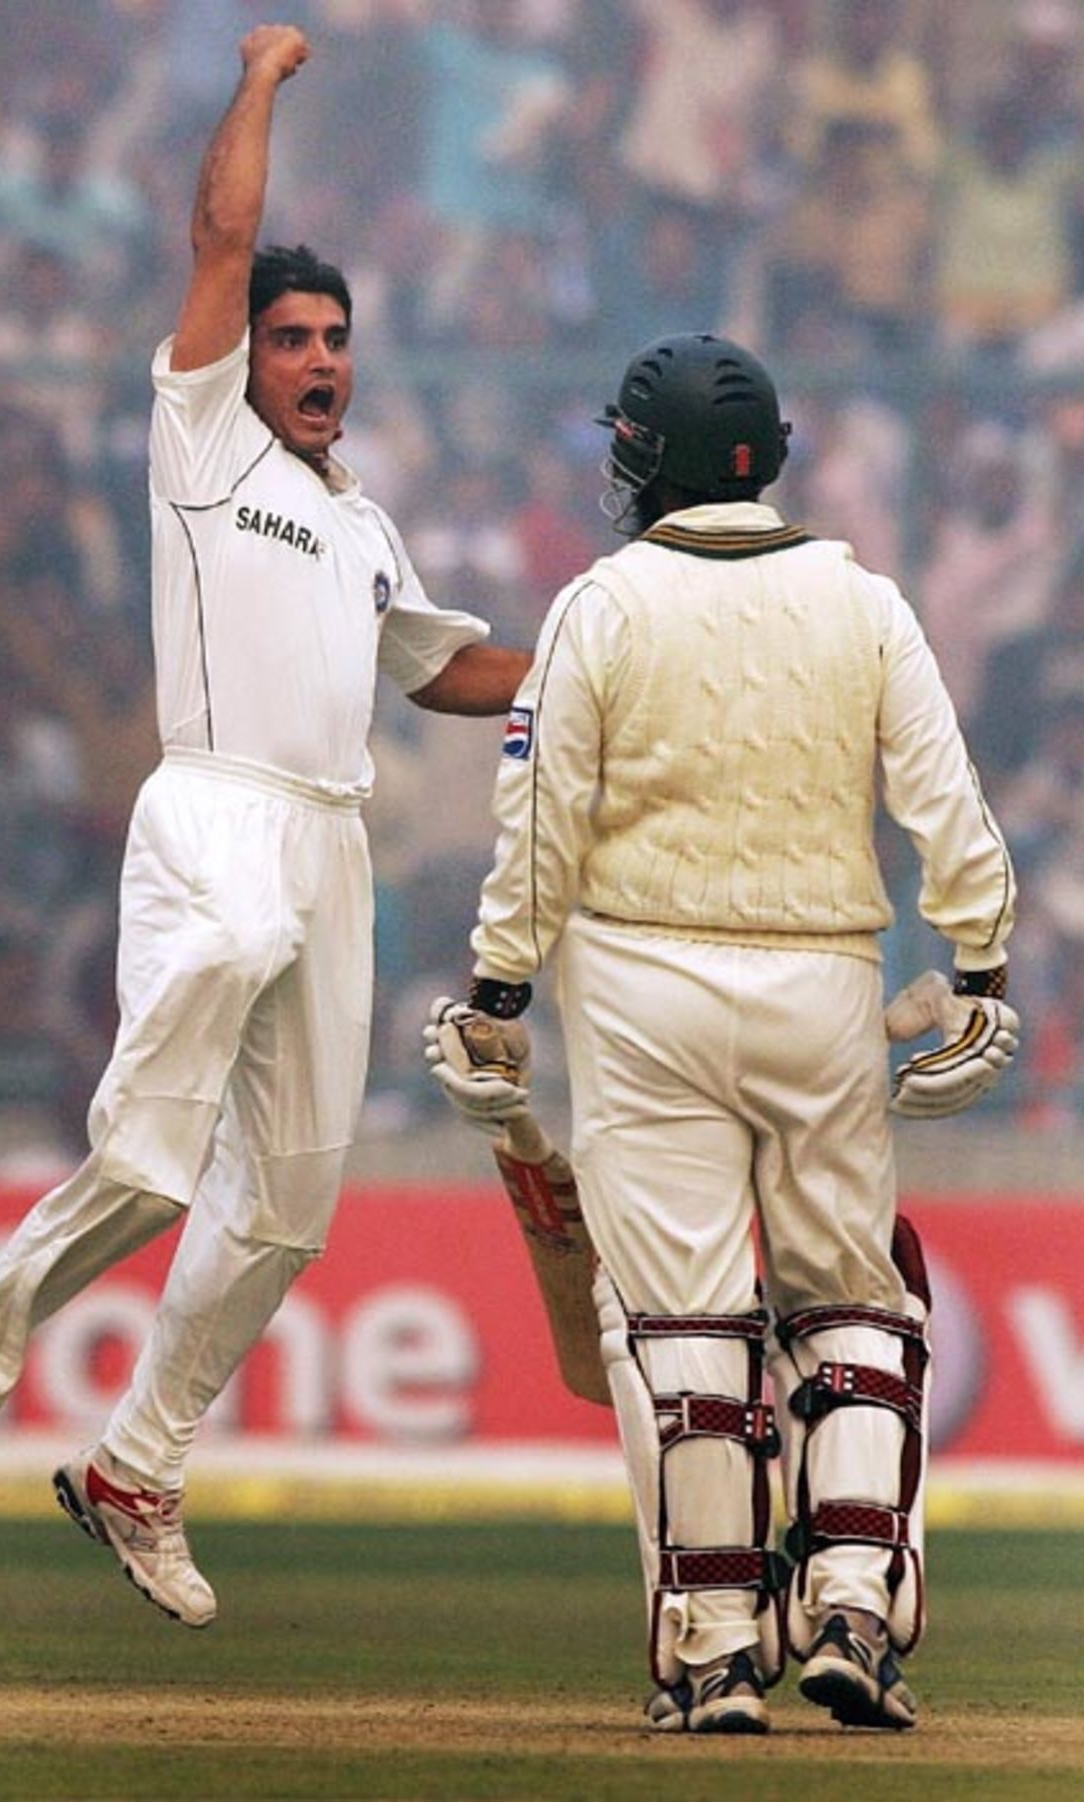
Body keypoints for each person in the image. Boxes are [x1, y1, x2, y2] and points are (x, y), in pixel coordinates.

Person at [0, 23, 531, 1629]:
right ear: (249, 352)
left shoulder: (362, 521)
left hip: (336, 839)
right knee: (162, 1151)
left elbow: (451, 668)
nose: (316, 359)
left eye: (334, 341)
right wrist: (261, 78)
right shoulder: (202, 433)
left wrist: (600, 658)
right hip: (215, 810)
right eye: (292, 336)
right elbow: (220, 238)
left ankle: (137, 1468)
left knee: (291, 1198)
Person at [425, 333, 1018, 1734]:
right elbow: (946, 793)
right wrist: (981, 964)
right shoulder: (863, 598)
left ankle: (713, 1645)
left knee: (689, 1322)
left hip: (641, 992)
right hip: (824, 978)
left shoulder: (600, 604)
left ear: (643, 457)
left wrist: (497, 991)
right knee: (851, 1299)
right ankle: (857, 1615)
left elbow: (537, 821)